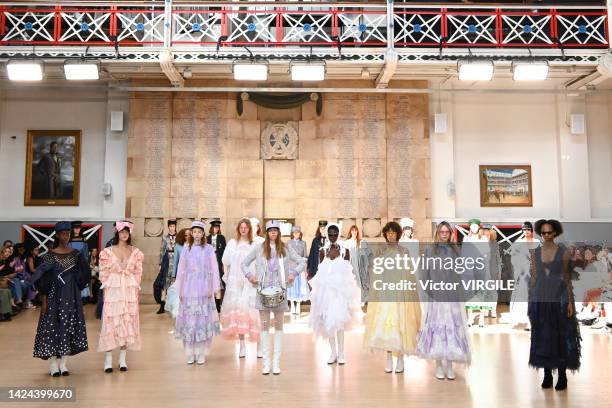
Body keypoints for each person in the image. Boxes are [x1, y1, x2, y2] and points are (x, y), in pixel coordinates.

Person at [242, 220, 306, 375]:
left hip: (280, 293)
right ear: (267, 232)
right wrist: (250, 276)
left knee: (278, 327)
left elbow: (302, 261)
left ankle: (276, 364)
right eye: (270, 230)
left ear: (278, 232)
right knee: (264, 328)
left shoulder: (285, 247)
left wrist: (293, 274)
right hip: (262, 292)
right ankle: (265, 364)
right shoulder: (259, 248)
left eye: (275, 230)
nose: (273, 233)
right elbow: (244, 263)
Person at [31, 221, 90, 376]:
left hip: (71, 297)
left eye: (68, 233)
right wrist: (43, 300)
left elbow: (84, 275)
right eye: (63, 233)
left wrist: (76, 290)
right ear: (57, 235)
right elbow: (42, 279)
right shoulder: (50, 255)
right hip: (53, 296)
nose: (66, 236)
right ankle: (52, 364)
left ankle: (63, 363)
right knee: (52, 327)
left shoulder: (76, 255)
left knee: (68, 326)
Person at [529, 219, 581, 391]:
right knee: (543, 335)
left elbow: (567, 278)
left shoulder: (564, 252)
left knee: (561, 335)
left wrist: (570, 302)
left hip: (559, 297)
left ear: (555, 233)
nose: (546, 235)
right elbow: (534, 278)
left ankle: (562, 375)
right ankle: (547, 375)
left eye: (549, 232)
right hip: (541, 298)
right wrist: (530, 301)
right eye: (543, 232)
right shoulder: (535, 253)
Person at [363, 221, 422, 374]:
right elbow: (376, 272)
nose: (390, 235)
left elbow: (409, 273)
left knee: (401, 323)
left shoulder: (404, 251)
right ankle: (389, 357)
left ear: (398, 234)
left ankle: (400, 358)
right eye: (388, 233)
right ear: (385, 234)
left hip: (400, 292)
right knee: (386, 326)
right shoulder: (380, 251)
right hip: (386, 293)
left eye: (393, 232)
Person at [416, 221, 471, 380]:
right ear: (438, 233)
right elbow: (423, 273)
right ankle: (439, 365)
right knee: (437, 328)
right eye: (442, 231)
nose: (445, 234)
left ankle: (450, 365)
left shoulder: (456, 250)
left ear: (450, 233)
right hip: (436, 296)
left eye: (447, 232)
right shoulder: (429, 250)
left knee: (452, 328)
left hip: (452, 296)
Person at [309, 223, 361, 365]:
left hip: (341, 293)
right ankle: (333, 353)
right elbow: (320, 270)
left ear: (338, 234)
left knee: (339, 324)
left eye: (335, 233)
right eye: (330, 234)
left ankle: (342, 353)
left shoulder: (345, 250)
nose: (332, 236)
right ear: (326, 234)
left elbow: (348, 271)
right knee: (329, 322)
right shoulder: (322, 251)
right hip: (326, 292)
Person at [98, 221, 144, 373]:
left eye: (127, 232)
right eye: (121, 231)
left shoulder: (135, 252)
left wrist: (137, 288)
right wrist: (106, 288)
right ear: (117, 232)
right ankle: (108, 359)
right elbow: (103, 273)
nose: (124, 234)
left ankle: (122, 359)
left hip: (129, 291)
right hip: (114, 291)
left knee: (127, 321)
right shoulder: (107, 252)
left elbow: (138, 272)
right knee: (111, 322)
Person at [175, 221, 221, 365]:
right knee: (190, 320)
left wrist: (213, 288)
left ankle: (201, 352)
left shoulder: (208, 249)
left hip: (203, 288)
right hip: (189, 288)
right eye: (194, 232)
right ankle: (190, 352)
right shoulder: (186, 249)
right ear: (191, 233)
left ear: (203, 234)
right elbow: (181, 270)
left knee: (202, 320)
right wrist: (180, 289)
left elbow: (214, 268)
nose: (196, 234)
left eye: (199, 232)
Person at [220, 218, 260, 357]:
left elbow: (259, 262)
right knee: (239, 314)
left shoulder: (255, 243)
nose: (243, 229)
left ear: (249, 229)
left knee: (254, 313)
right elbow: (225, 261)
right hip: (236, 283)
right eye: (241, 227)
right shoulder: (232, 243)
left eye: (246, 227)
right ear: (238, 229)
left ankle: (259, 346)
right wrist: (227, 275)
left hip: (251, 282)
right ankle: (242, 345)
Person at [509, 222, 540, 330]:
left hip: (535, 273)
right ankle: (529, 321)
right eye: (524, 230)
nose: (526, 232)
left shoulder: (537, 242)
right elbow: (513, 258)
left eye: (528, 229)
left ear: (531, 230)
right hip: (523, 274)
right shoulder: (518, 243)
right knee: (525, 298)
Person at [166, 228, 191, 319]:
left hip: (192, 275)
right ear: (182, 236)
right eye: (185, 235)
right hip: (182, 274)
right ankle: (180, 315)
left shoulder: (195, 245)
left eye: (189, 234)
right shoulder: (178, 246)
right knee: (180, 294)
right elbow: (175, 261)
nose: (188, 236)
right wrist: (173, 276)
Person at [344, 225, 372, 305]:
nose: (354, 232)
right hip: (351, 265)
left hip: (361, 265)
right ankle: (351, 300)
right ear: (350, 232)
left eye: (356, 230)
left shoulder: (362, 242)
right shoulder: (347, 242)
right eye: (352, 230)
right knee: (352, 282)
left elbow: (368, 254)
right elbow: (344, 256)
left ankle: (361, 299)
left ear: (357, 232)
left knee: (361, 281)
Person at [286, 226, 309, 315]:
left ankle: (298, 305)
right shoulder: (288, 243)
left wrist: (305, 270)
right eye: (295, 232)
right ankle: (292, 304)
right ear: (292, 234)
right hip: (291, 267)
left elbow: (305, 256)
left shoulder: (303, 243)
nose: (296, 234)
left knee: (300, 286)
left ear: (300, 234)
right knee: (292, 286)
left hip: (300, 268)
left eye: (298, 232)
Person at [156, 219, 178, 314]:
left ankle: (175, 305)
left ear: (175, 227)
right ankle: (162, 306)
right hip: (167, 261)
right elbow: (162, 250)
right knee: (164, 284)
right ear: (168, 227)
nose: (172, 228)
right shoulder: (165, 237)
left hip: (176, 261)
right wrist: (160, 264)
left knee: (175, 283)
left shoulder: (179, 237)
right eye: (170, 226)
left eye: (173, 226)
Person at [207, 219, 227, 313]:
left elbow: (224, 252)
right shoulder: (207, 238)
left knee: (218, 283)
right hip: (209, 263)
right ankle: (212, 304)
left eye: (218, 227)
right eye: (215, 227)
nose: (216, 229)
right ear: (211, 228)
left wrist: (224, 264)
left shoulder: (222, 238)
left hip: (218, 263)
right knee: (210, 283)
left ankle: (218, 305)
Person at [69, 221, 91, 304]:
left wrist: (85, 265)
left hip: (81, 265)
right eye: (75, 228)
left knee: (81, 280)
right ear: (72, 229)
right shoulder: (69, 239)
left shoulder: (84, 239)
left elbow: (86, 254)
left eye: (79, 228)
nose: (77, 229)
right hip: (71, 264)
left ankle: (81, 299)